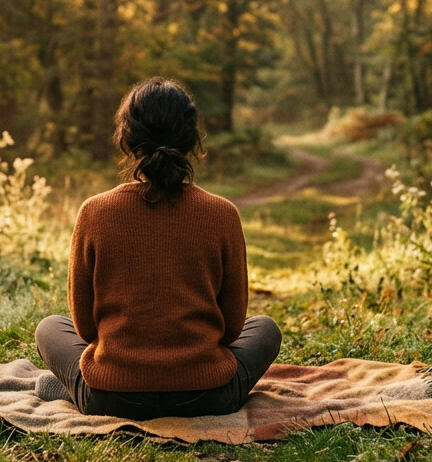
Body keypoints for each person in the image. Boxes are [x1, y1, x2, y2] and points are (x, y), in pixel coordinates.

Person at [34, 77, 282, 419]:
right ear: (192, 138)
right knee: (265, 328)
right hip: (208, 398)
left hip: (112, 400)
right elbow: (233, 328)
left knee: (50, 327)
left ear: (126, 138)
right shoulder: (223, 214)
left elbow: (85, 330)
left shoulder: (93, 212)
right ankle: (77, 387)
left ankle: (75, 389)